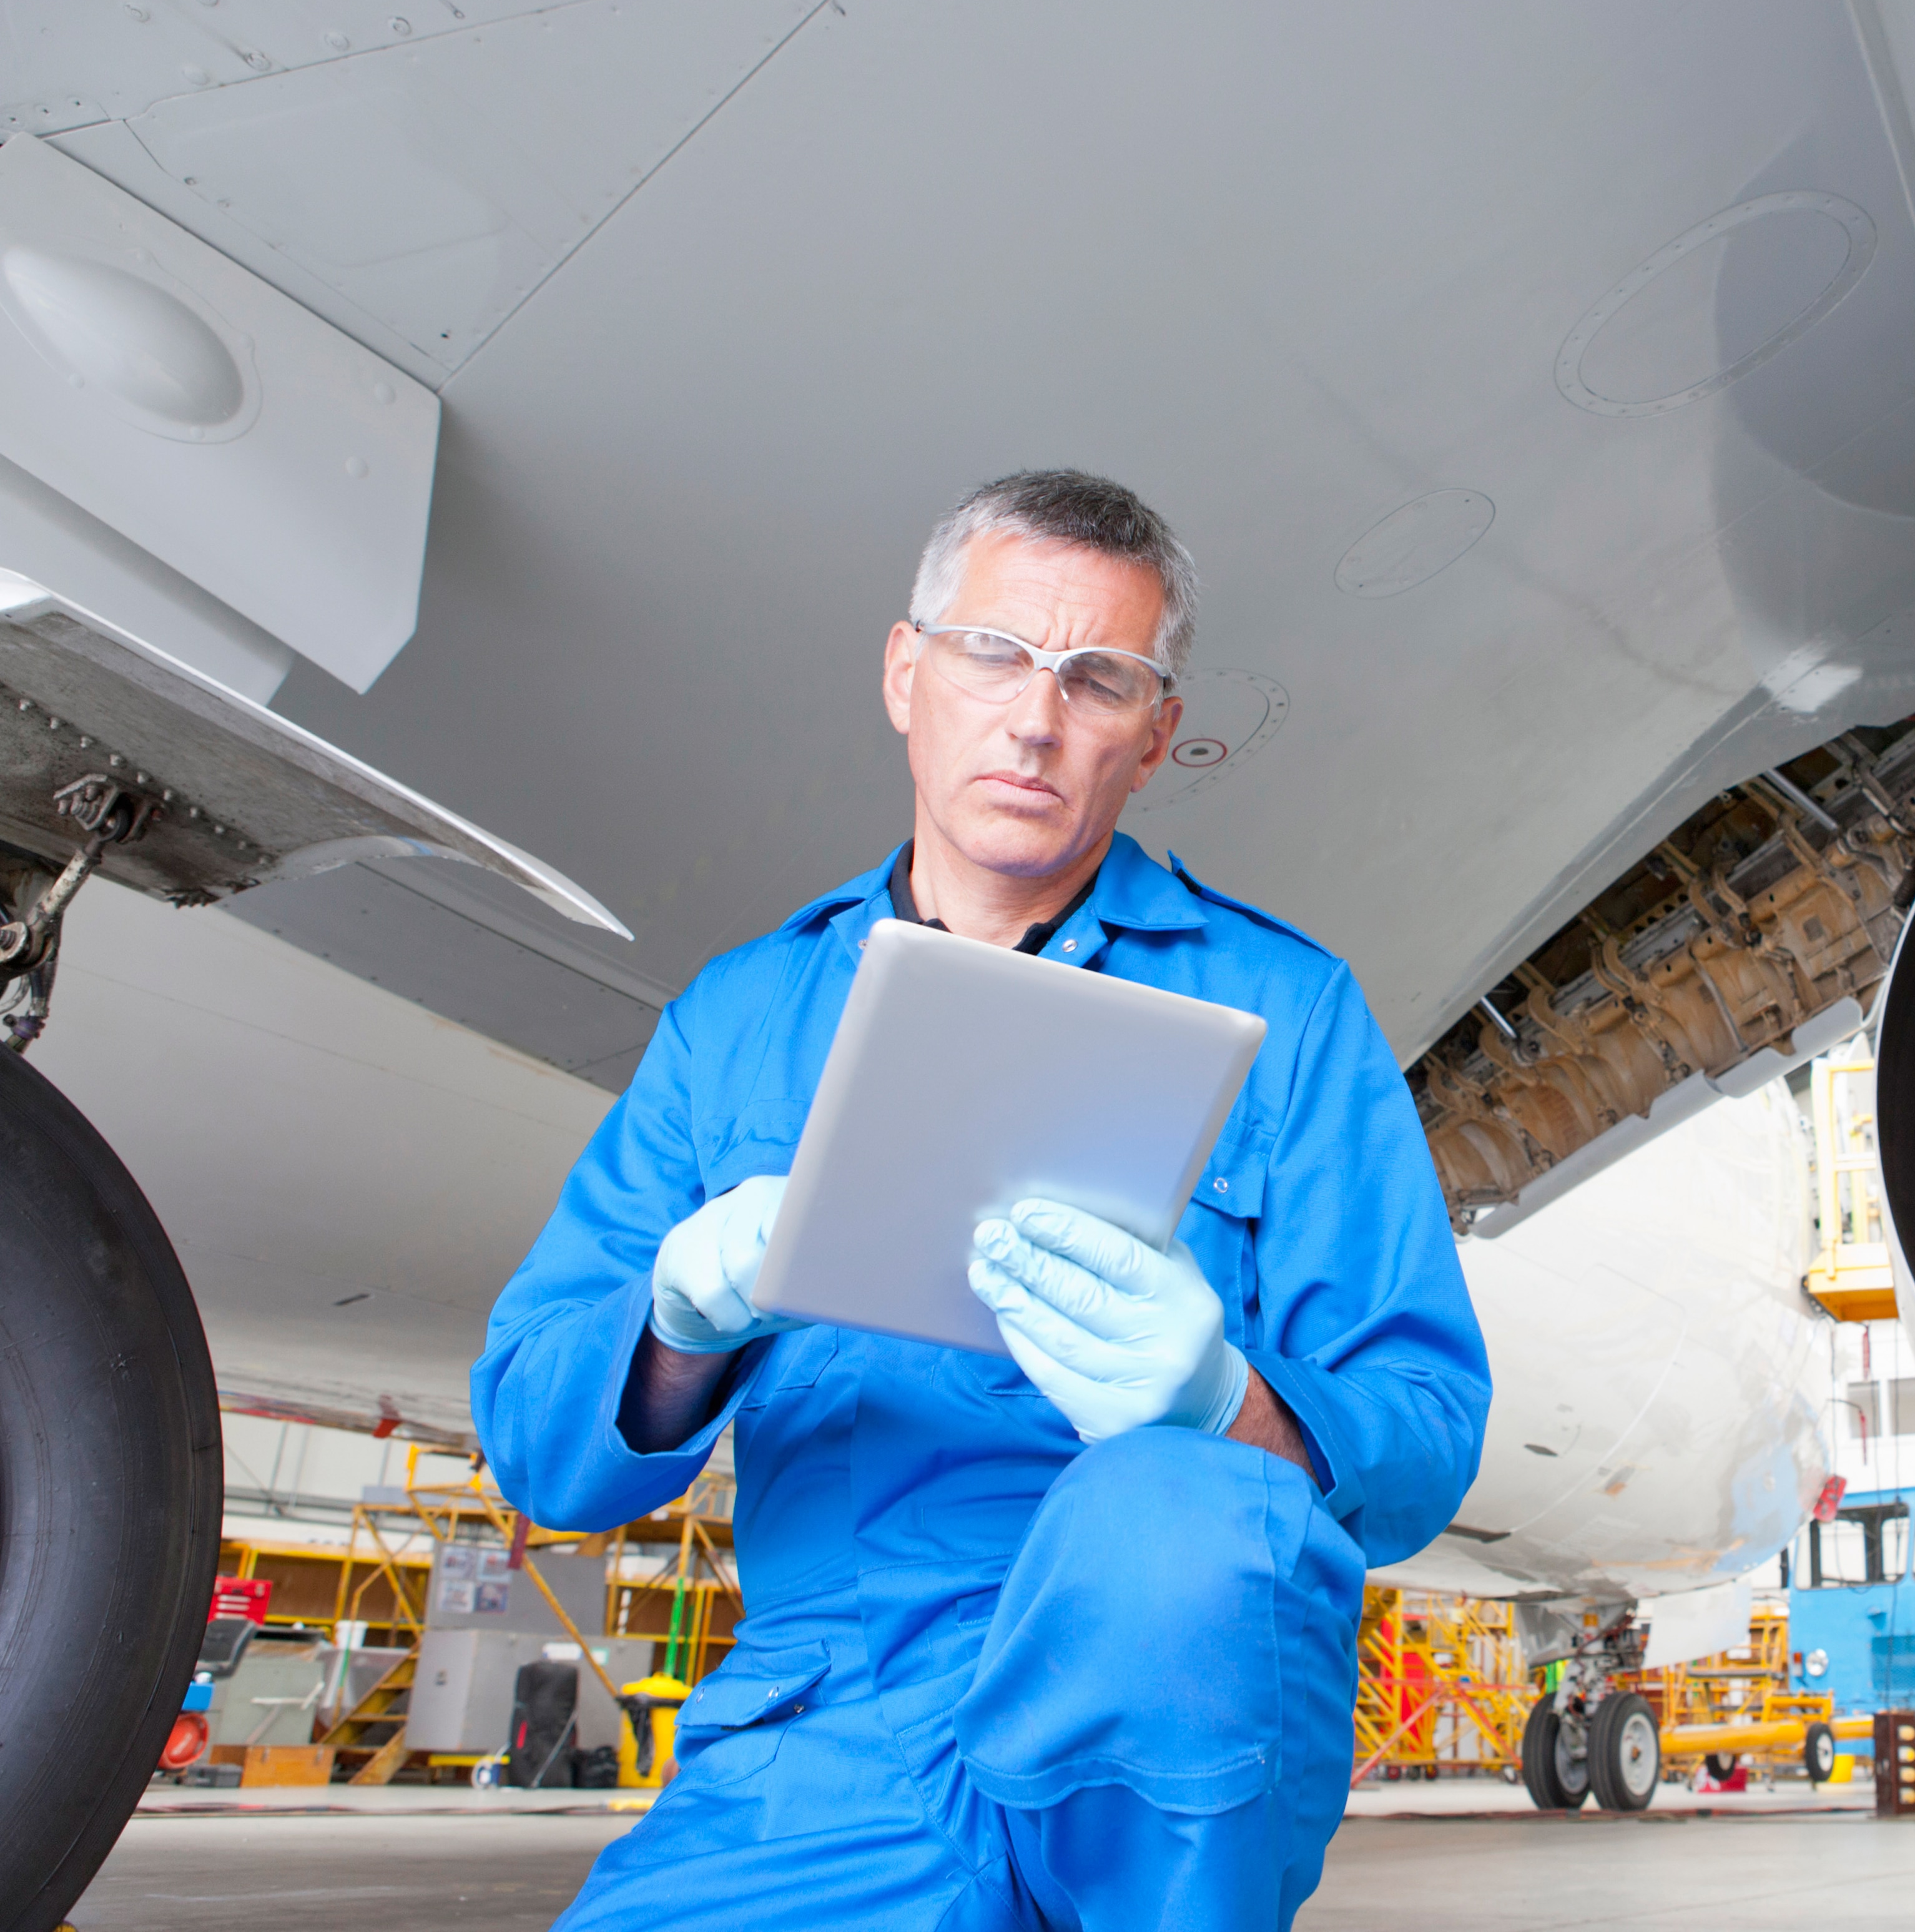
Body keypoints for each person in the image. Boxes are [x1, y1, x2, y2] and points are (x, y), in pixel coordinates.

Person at [473, 470, 1490, 1928]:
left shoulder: (1289, 1013)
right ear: (906, 673)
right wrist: (677, 1328)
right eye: (993, 654)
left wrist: (1227, 1409)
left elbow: (1426, 1432)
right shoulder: (738, 1019)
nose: (1036, 716)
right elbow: (544, 1454)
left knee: (1171, 1517)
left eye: (1099, 680)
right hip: (830, 1725)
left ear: (1154, 738)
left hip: (1159, 1705)